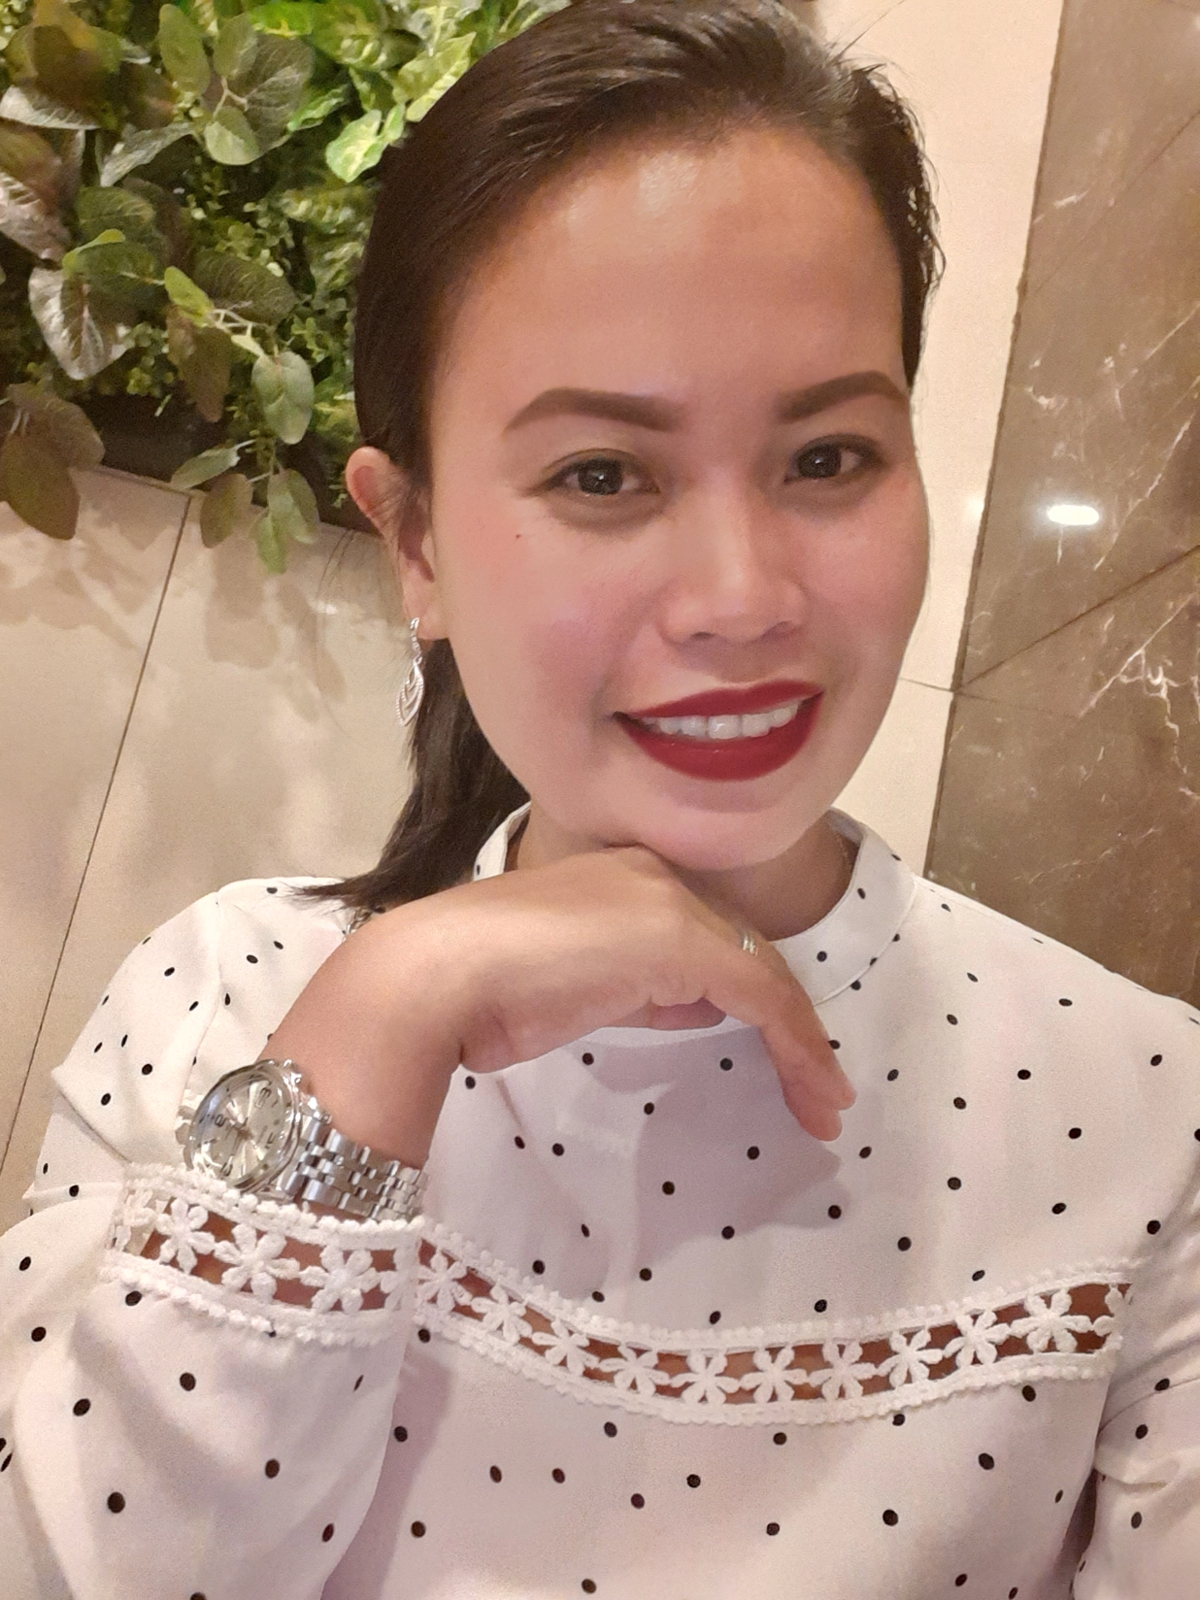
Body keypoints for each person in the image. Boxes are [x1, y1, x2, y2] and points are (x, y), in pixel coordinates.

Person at [2, 1, 1197, 1594]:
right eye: (602, 475)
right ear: (416, 541)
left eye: (828, 458)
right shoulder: (219, 1003)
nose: (741, 599)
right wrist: (382, 1019)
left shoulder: (1147, 1115)